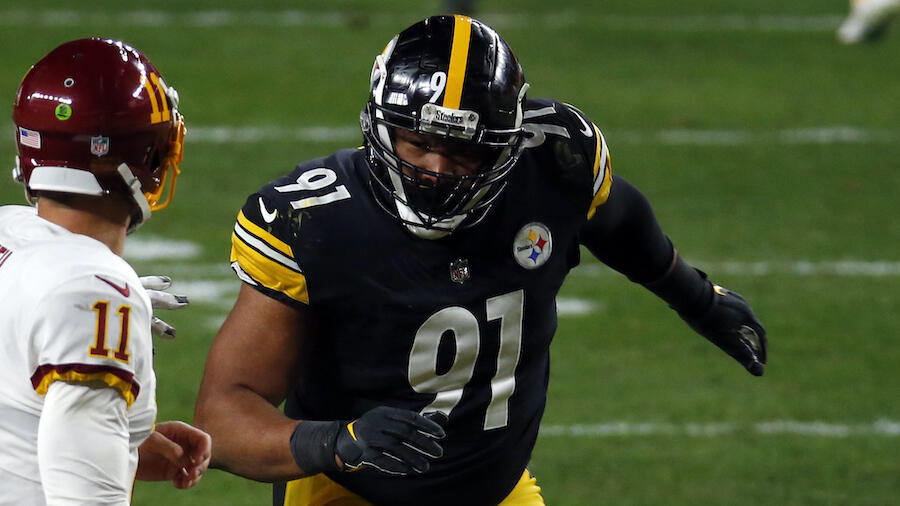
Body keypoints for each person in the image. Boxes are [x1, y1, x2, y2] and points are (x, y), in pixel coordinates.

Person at [194, 15, 767, 506]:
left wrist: (696, 297)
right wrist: (337, 442)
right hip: (347, 491)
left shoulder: (556, 160)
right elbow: (223, 416)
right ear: (380, 126)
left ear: (508, 142)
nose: (436, 170)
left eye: (462, 150)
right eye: (419, 143)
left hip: (495, 491)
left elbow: (618, 220)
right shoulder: (313, 219)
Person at [0, 38, 211, 505]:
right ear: (148, 158)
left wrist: (126, 441)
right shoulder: (92, 293)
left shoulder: (9, 232)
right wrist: (104, 308)